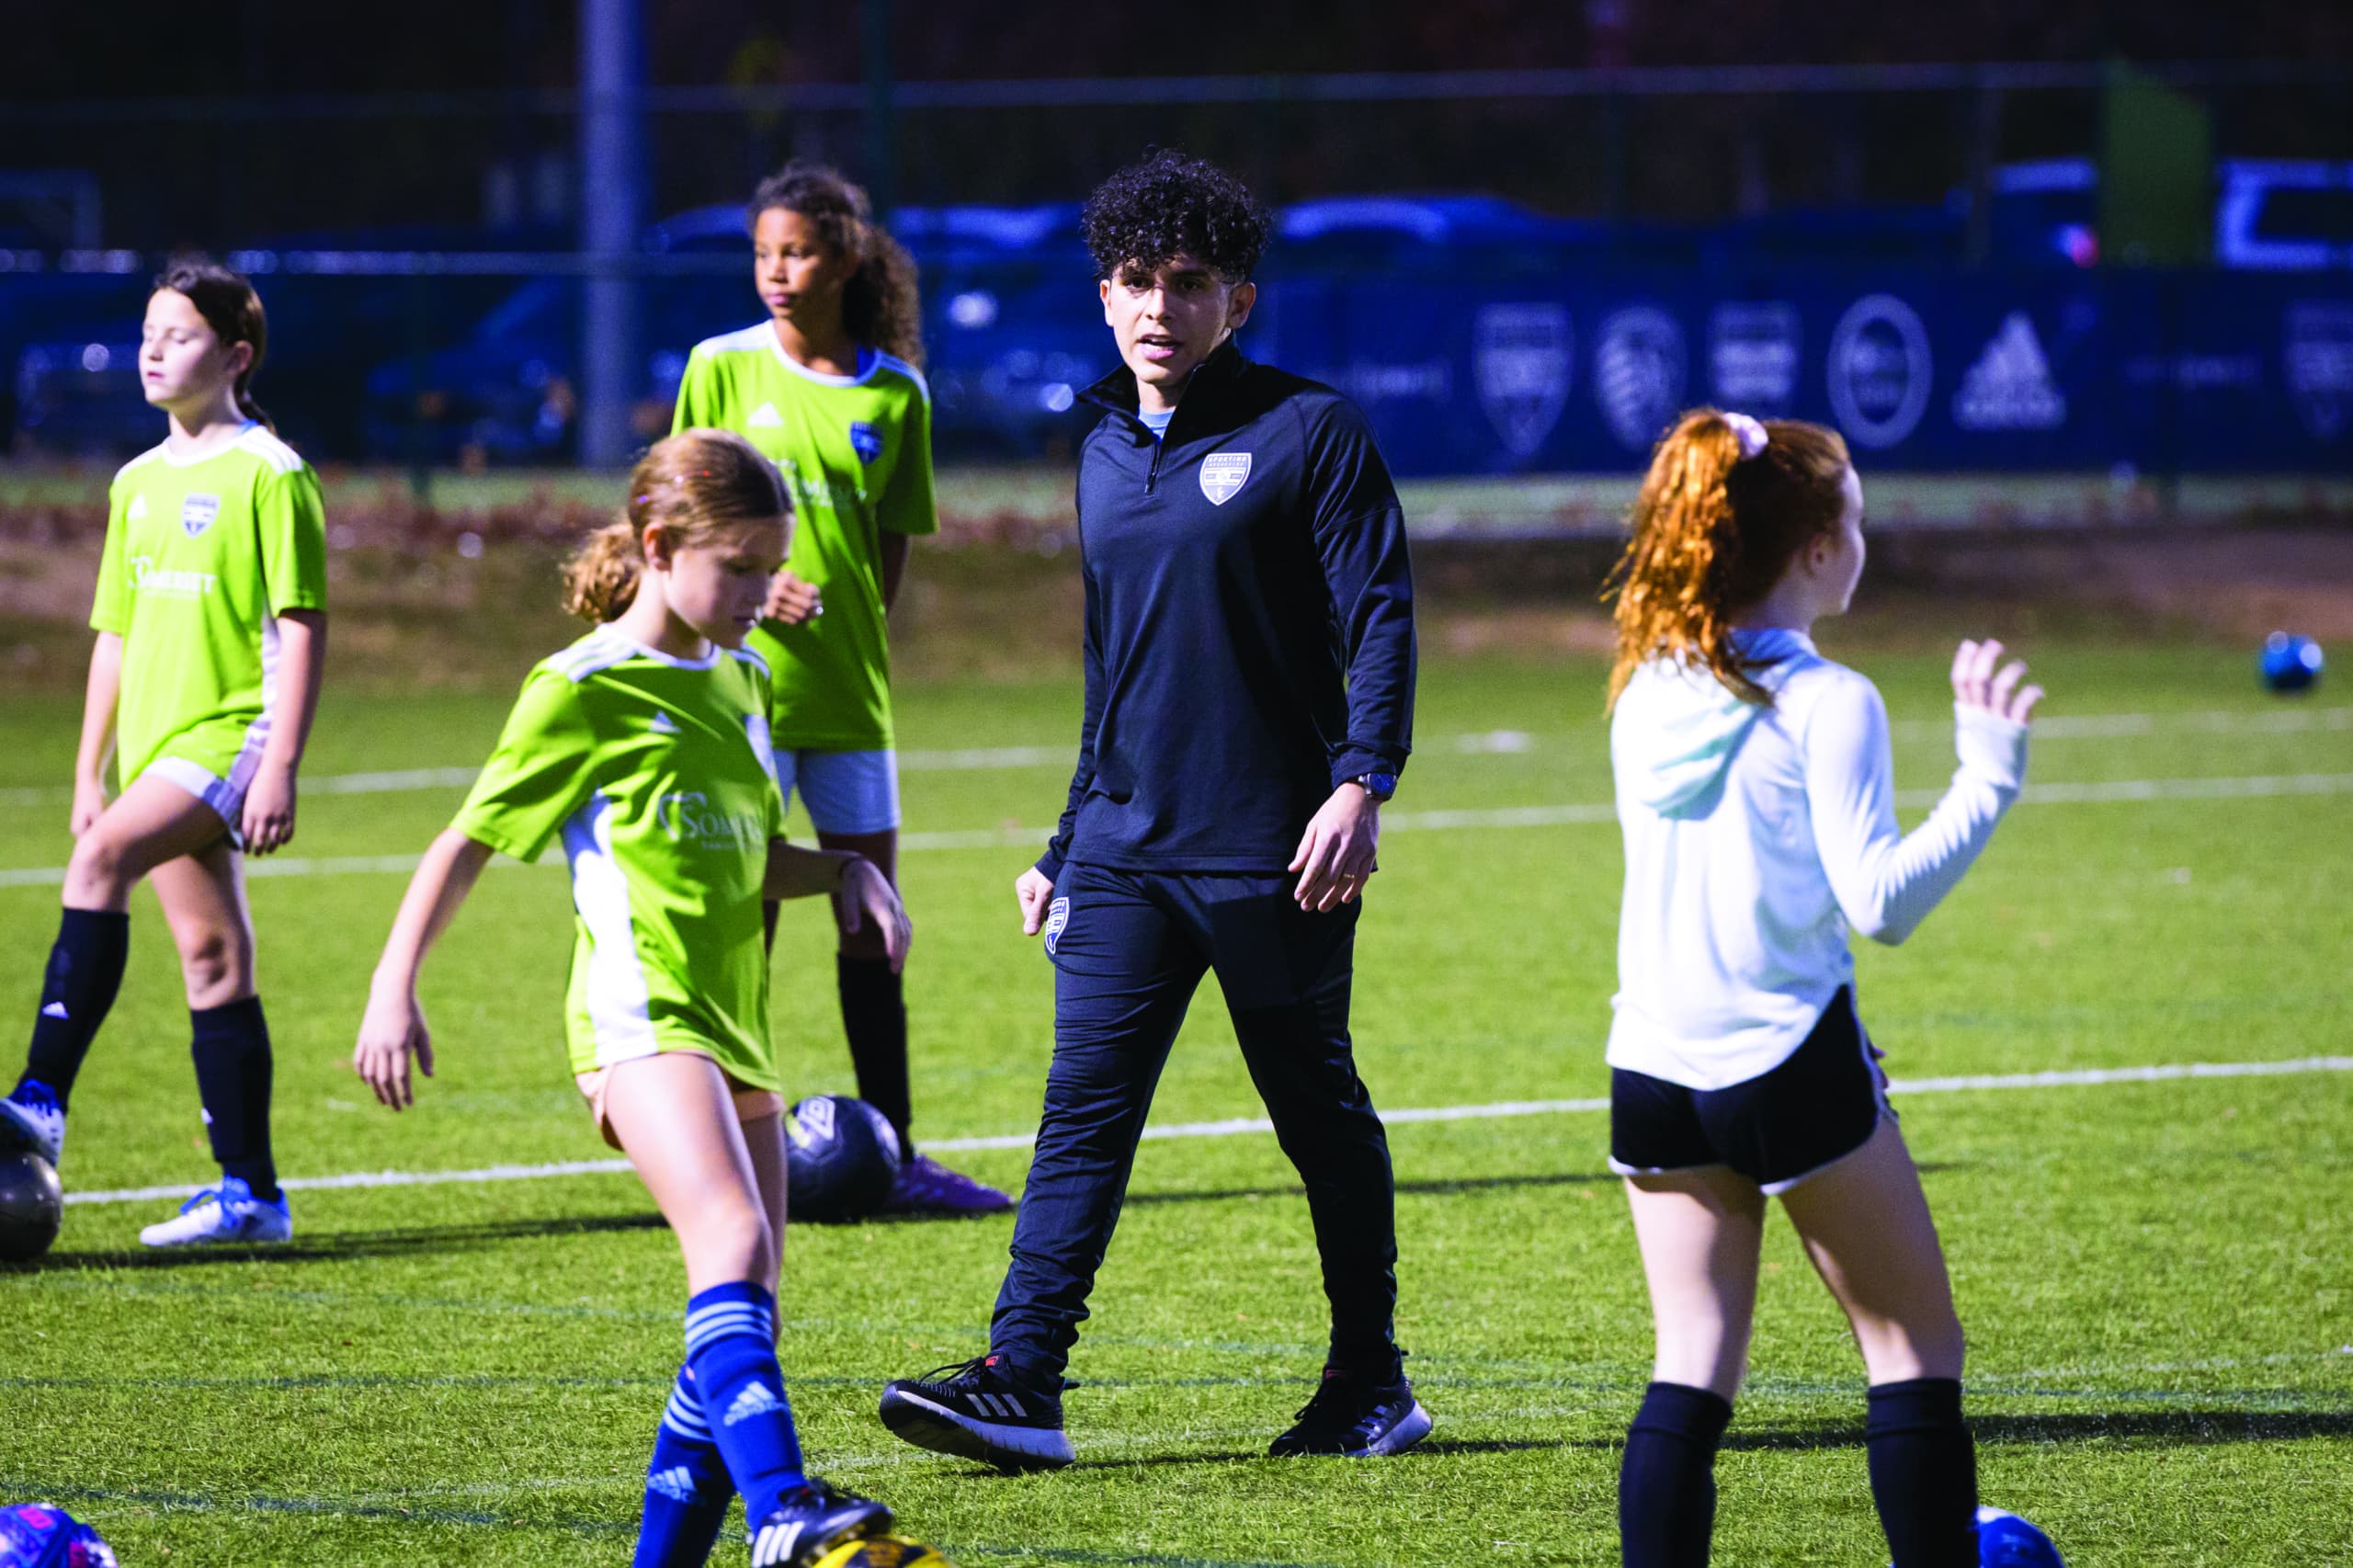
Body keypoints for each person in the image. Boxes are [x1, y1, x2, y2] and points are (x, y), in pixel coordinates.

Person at [876, 149, 1427, 1471]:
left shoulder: (1313, 432)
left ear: (1238, 299)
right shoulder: (1102, 443)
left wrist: (1361, 783)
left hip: (1272, 852)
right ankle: (1024, 1377)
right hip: (1123, 847)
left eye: (1187, 284)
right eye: (1132, 281)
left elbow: (1381, 619)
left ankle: (1369, 1381)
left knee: (1316, 1113)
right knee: (1082, 1108)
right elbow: (1109, 663)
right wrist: (1067, 839)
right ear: (1103, 293)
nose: (1156, 308)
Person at [351, 429, 912, 1568]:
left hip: (735, 1022)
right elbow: (463, 844)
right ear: (659, 547)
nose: (764, 592)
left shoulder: (746, 678)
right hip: (637, 1013)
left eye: (771, 567)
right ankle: (782, 1509)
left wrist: (845, 869)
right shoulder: (580, 689)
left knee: (742, 1294)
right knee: (731, 1235)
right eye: (741, 568)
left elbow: (752, 852)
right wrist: (390, 986)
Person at [1599, 409, 2045, 1566]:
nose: (1863, 533)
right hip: (1784, 1056)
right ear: (1808, 549)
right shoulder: (1827, 697)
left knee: (1689, 1362)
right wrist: (1986, 779)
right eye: (1852, 513)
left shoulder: (1645, 684)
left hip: (1649, 1067)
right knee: (1914, 1346)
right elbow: (1877, 903)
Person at [671, 161, 1007, 1217]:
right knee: (743, 919)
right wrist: (756, 590)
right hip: (741, 693)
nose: (777, 272)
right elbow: (674, 520)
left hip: (850, 698)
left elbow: (888, 545)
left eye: (799, 252)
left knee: (873, 922)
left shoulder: (894, 393)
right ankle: (720, 1153)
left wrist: (854, 628)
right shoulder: (719, 368)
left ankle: (898, 1153)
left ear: (847, 259)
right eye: (765, 253)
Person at [0, 258, 327, 1248]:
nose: (151, 349)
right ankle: (251, 1195)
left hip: (233, 732)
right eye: (147, 331)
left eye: (176, 335)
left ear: (234, 355)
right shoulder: (136, 481)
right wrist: (88, 766)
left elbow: (301, 625)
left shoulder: (272, 471)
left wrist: (279, 766)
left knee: (100, 866)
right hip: (154, 744)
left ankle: (40, 1095)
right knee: (212, 954)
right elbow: (115, 631)